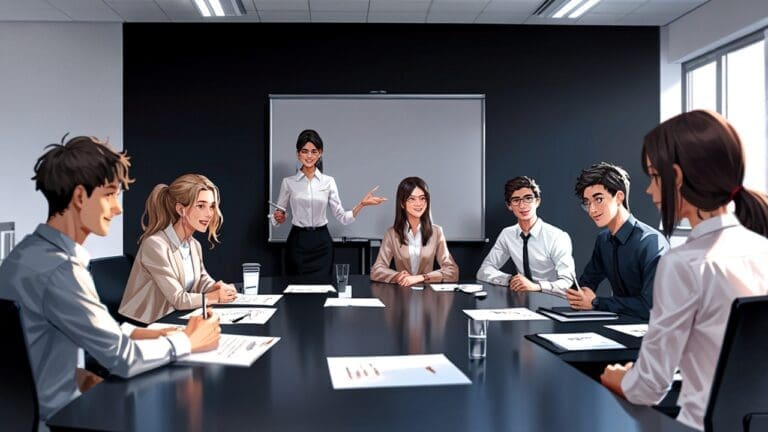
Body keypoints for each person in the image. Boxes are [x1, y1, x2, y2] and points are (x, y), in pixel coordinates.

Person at [0, 136, 221, 422]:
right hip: (62, 419)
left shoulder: (25, 255)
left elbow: (64, 340)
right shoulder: (61, 270)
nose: (118, 208)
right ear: (80, 197)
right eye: (109, 195)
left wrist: (167, 333)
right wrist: (187, 342)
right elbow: (122, 358)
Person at [600, 110, 768, 431]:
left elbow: (649, 386)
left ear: (676, 177)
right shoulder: (763, 250)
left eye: (654, 177)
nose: (650, 191)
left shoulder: (683, 264)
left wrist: (618, 378)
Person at [120, 173, 237, 324]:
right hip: (146, 323)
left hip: (175, 317)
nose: (209, 214)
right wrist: (215, 296)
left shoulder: (194, 245)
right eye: (201, 206)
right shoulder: (155, 245)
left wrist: (216, 287)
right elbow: (178, 299)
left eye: (212, 206)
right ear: (181, 210)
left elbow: (200, 280)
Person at [272, 129, 386, 281]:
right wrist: (278, 217)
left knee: (323, 288)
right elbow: (278, 213)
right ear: (298, 154)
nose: (309, 156)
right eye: (305, 151)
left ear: (320, 153)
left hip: (322, 243)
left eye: (314, 151)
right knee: (295, 288)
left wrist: (362, 204)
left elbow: (342, 217)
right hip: (298, 241)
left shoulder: (328, 181)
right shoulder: (288, 182)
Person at [568, 162, 669, 319]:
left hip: (652, 328)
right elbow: (587, 282)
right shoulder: (603, 240)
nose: (592, 210)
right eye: (587, 203)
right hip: (618, 324)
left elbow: (651, 306)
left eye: (598, 199)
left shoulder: (651, 243)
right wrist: (578, 294)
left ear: (619, 197)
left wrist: (595, 303)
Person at [476, 176, 576, 295]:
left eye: (528, 198)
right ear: (509, 206)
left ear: (537, 201)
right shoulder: (507, 234)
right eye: (516, 200)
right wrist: (510, 280)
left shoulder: (557, 237)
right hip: (523, 299)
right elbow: (484, 271)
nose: (522, 206)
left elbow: (567, 281)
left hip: (553, 299)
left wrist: (537, 286)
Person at [370, 176, 458, 286]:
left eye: (422, 198)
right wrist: (397, 276)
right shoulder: (392, 233)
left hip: (428, 293)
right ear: (402, 203)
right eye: (412, 199)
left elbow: (452, 270)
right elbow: (376, 270)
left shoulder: (436, 232)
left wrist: (422, 277)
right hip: (402, 291)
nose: (419, 204)